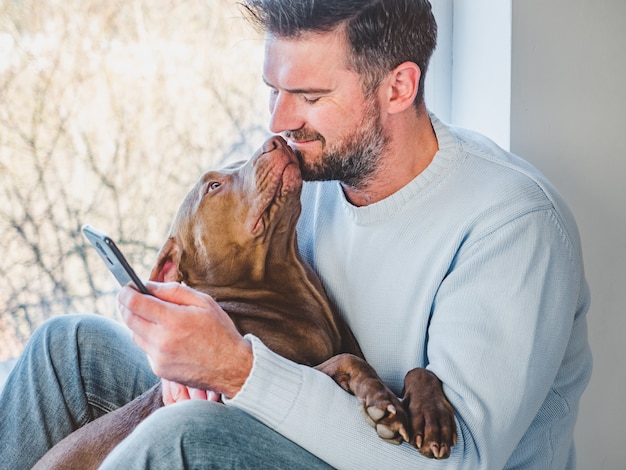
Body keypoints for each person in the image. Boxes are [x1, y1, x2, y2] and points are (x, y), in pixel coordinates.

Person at [0, 0, 592, 468]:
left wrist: (236, 369)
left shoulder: (510, 227)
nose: (278, 123)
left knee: (186, 437)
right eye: (274, 91)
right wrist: (179, 361)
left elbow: (454, 464)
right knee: (68, 349)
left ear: (398, 87)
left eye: (309, 96)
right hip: (311, 415)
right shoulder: (316, 176)